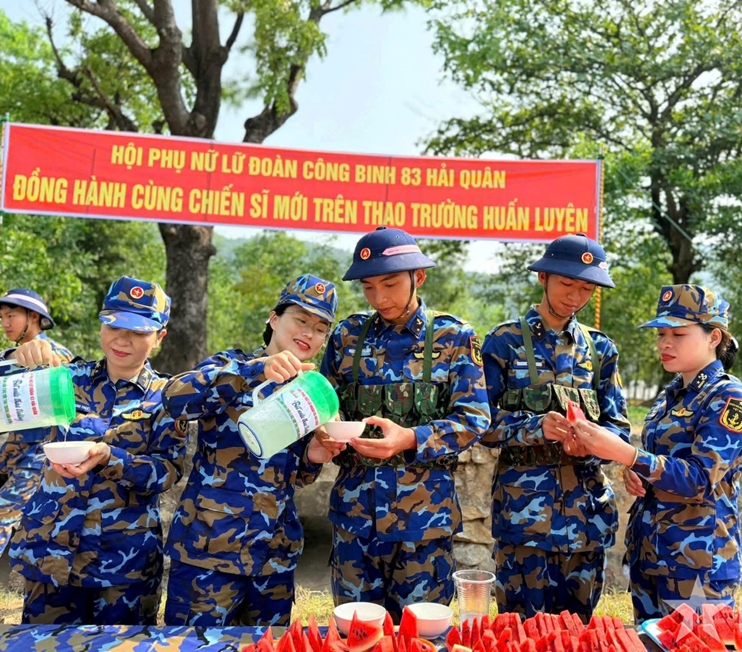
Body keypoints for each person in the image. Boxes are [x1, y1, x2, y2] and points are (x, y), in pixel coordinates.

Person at [320, 226, 491, 621]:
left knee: (422, 634)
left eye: (390, 284)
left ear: (419, 277)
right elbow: (325, 407)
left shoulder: (454, 337)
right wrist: (326, 433)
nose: (379, 298)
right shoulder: (347, 337)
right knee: (355, 632)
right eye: (368, 287)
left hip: (424, 523)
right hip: (355, 520)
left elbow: (474, 418)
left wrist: (411, 438)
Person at [570, 284, 742, 623]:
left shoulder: (729, 399)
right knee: (648, 643)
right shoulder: (671, 395)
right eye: (661, 334)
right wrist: (636, 471)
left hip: (698, 568)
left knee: (694, 645)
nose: (664, 343)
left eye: (678, 334)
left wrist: (629, 456)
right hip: (652, 557)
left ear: (714, 337)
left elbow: (700, 479)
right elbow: (662, 461)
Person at [162, 274, 343, 627]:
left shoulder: (310, 392)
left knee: (267, 647)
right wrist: (255, 371)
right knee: (193, 647)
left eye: (320, 328)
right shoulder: (233, 365)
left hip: (273, 558)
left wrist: (314, 457)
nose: (309, 333)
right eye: (301, 320)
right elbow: (173, 399)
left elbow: (295, 476)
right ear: (274, 319)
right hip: (209, 552)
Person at [7, 276, 187, 626]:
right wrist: (14, 358)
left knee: (119, 647)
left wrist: (111, 458)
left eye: (138, 331)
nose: (122, 339)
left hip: (123, 562)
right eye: (114, 325)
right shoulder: (63, 378)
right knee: (43, 646)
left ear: (159, 337)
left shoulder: (167, 397)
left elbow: (167, 470)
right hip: (52, 552)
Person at [480, 233, 631, 620]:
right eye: (567, 283)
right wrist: (535, 427)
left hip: (586, 522)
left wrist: (593, 444)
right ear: (543, 277)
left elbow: (618, 426)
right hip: (524, 523)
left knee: (578, 636)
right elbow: (481, 423)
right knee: (520, 635)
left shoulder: (600, 350)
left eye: (587, 289)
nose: (575, 296)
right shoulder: (504, 342)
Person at [0, 288, 72, 613]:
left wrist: (39, 354)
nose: (5, 323)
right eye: (2, 317)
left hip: (45, 462)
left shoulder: (55, 355)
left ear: (34, 317)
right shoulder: (4, 359)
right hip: (21, 462)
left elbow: (72, 385)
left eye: (12, 315)